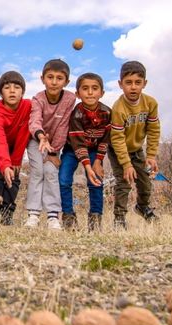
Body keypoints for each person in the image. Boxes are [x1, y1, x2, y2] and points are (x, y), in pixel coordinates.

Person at [108, 60, 161, 229]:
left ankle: (142, 206)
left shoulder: (150, 103)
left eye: (138, 83)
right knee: (124, 183)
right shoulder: (118, 108)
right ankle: (119, 217)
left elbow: (153, 129)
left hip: (137, 149)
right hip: (119, 151)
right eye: (128, 83)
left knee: (145, 182)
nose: (133, 87)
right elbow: (117, 138)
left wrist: (151, 155)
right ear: (120, 84)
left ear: (144, 84)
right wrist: (126, 165)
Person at [25, 59, 76, 230]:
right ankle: (33, 214)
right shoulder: (38, 99)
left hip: (55, 145)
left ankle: (53, 215)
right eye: (50, 77)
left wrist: (54, 152)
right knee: (38, 172)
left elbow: (63, 126)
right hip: (35, 140)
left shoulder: (69, 99)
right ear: (42, 79)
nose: (54, 82)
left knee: (51, 172)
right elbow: (34, 121)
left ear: (66, 81)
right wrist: (41, 137)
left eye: (59, 78)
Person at [59, 72, 111, 231]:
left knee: (96, 181)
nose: (90, 92)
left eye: (95, 88)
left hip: (95, 150)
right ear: (77, 93)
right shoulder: (77, 113)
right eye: (85, 88)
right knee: (63, 179)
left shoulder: (107, 113)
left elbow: (105, 139)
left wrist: (97, 162)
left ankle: (95, 220)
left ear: (102, 93)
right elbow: (78, 143)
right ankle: (69, 218)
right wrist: (87, 167)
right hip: (73, 149)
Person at [0, 71, 32, 225]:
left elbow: (25, 134)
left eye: (17, 87)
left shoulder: (28, 107)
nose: (12, 90)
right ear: (1, 93)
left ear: (23, 92)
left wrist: (16, 160)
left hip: (15, 148)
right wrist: (5, 165)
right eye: (7, 87)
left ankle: (7, 214)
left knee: (15, 177)